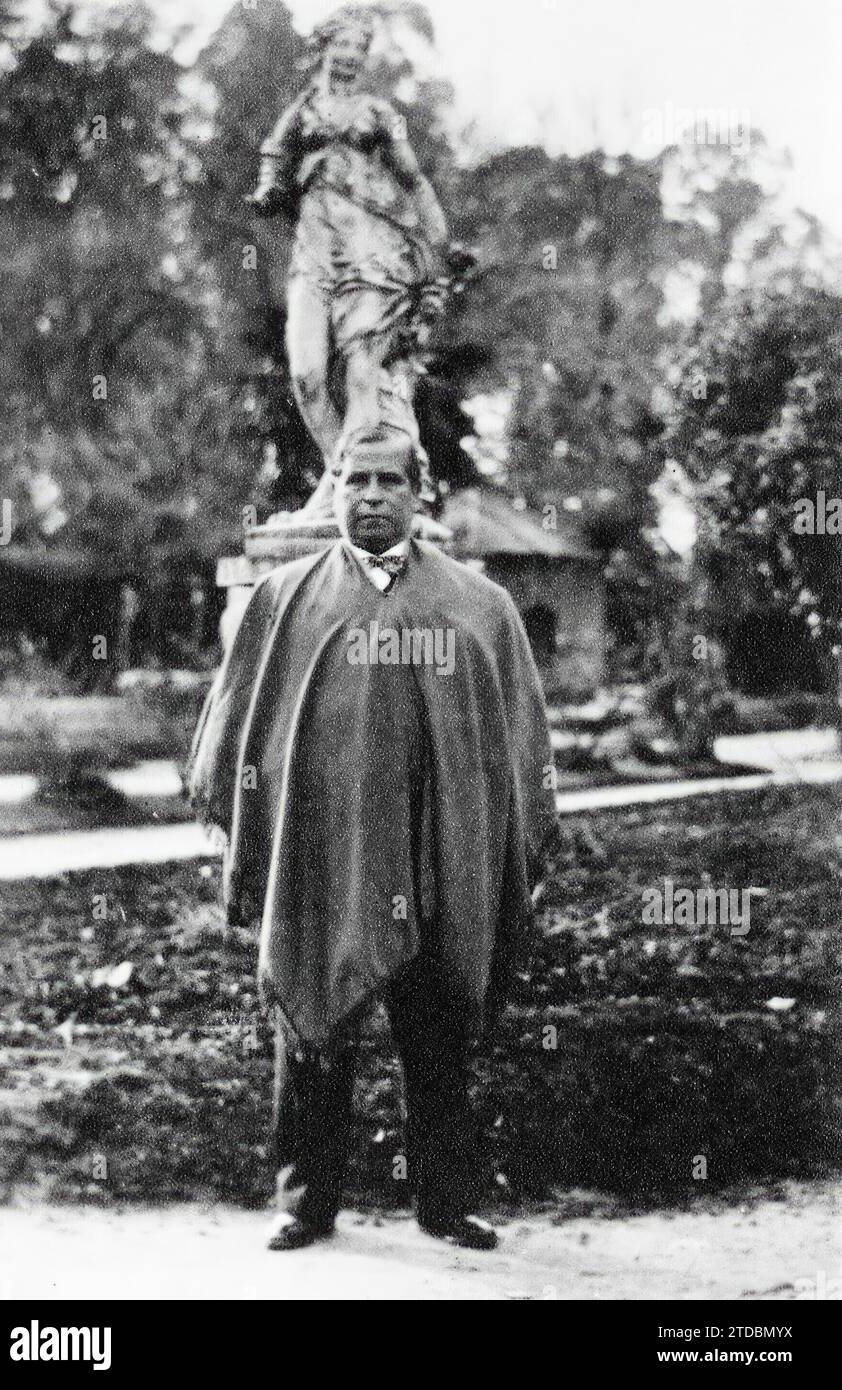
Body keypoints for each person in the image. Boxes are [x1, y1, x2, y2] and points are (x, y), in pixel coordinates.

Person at [187, 425, 560, 1251]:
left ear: (419, 493)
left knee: (439, 1033)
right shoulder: (283, 600)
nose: (372, 496)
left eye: (391, 481)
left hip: (438, 858)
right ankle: (306, 1201)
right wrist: (249, 826)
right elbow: (237, 726)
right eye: (355, 480)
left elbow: (520, 742)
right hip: (323, 859)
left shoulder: (479, 607)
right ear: (335, 489)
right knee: (312, 1025)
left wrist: (504, 839)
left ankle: (445, 1200)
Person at [251, 6, 457, 517]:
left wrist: (439, 241)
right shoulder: (300, 113)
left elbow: (413, 181)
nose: (350, 57)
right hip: (315, 257)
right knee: (306, 375)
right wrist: (269, 191)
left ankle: (341, 495)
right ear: (324, 48)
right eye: (342, 45)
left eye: (360, 50)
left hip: (371, 257)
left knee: (363, 373)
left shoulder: (379, 115)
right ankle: (341, 474)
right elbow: (273, 166)